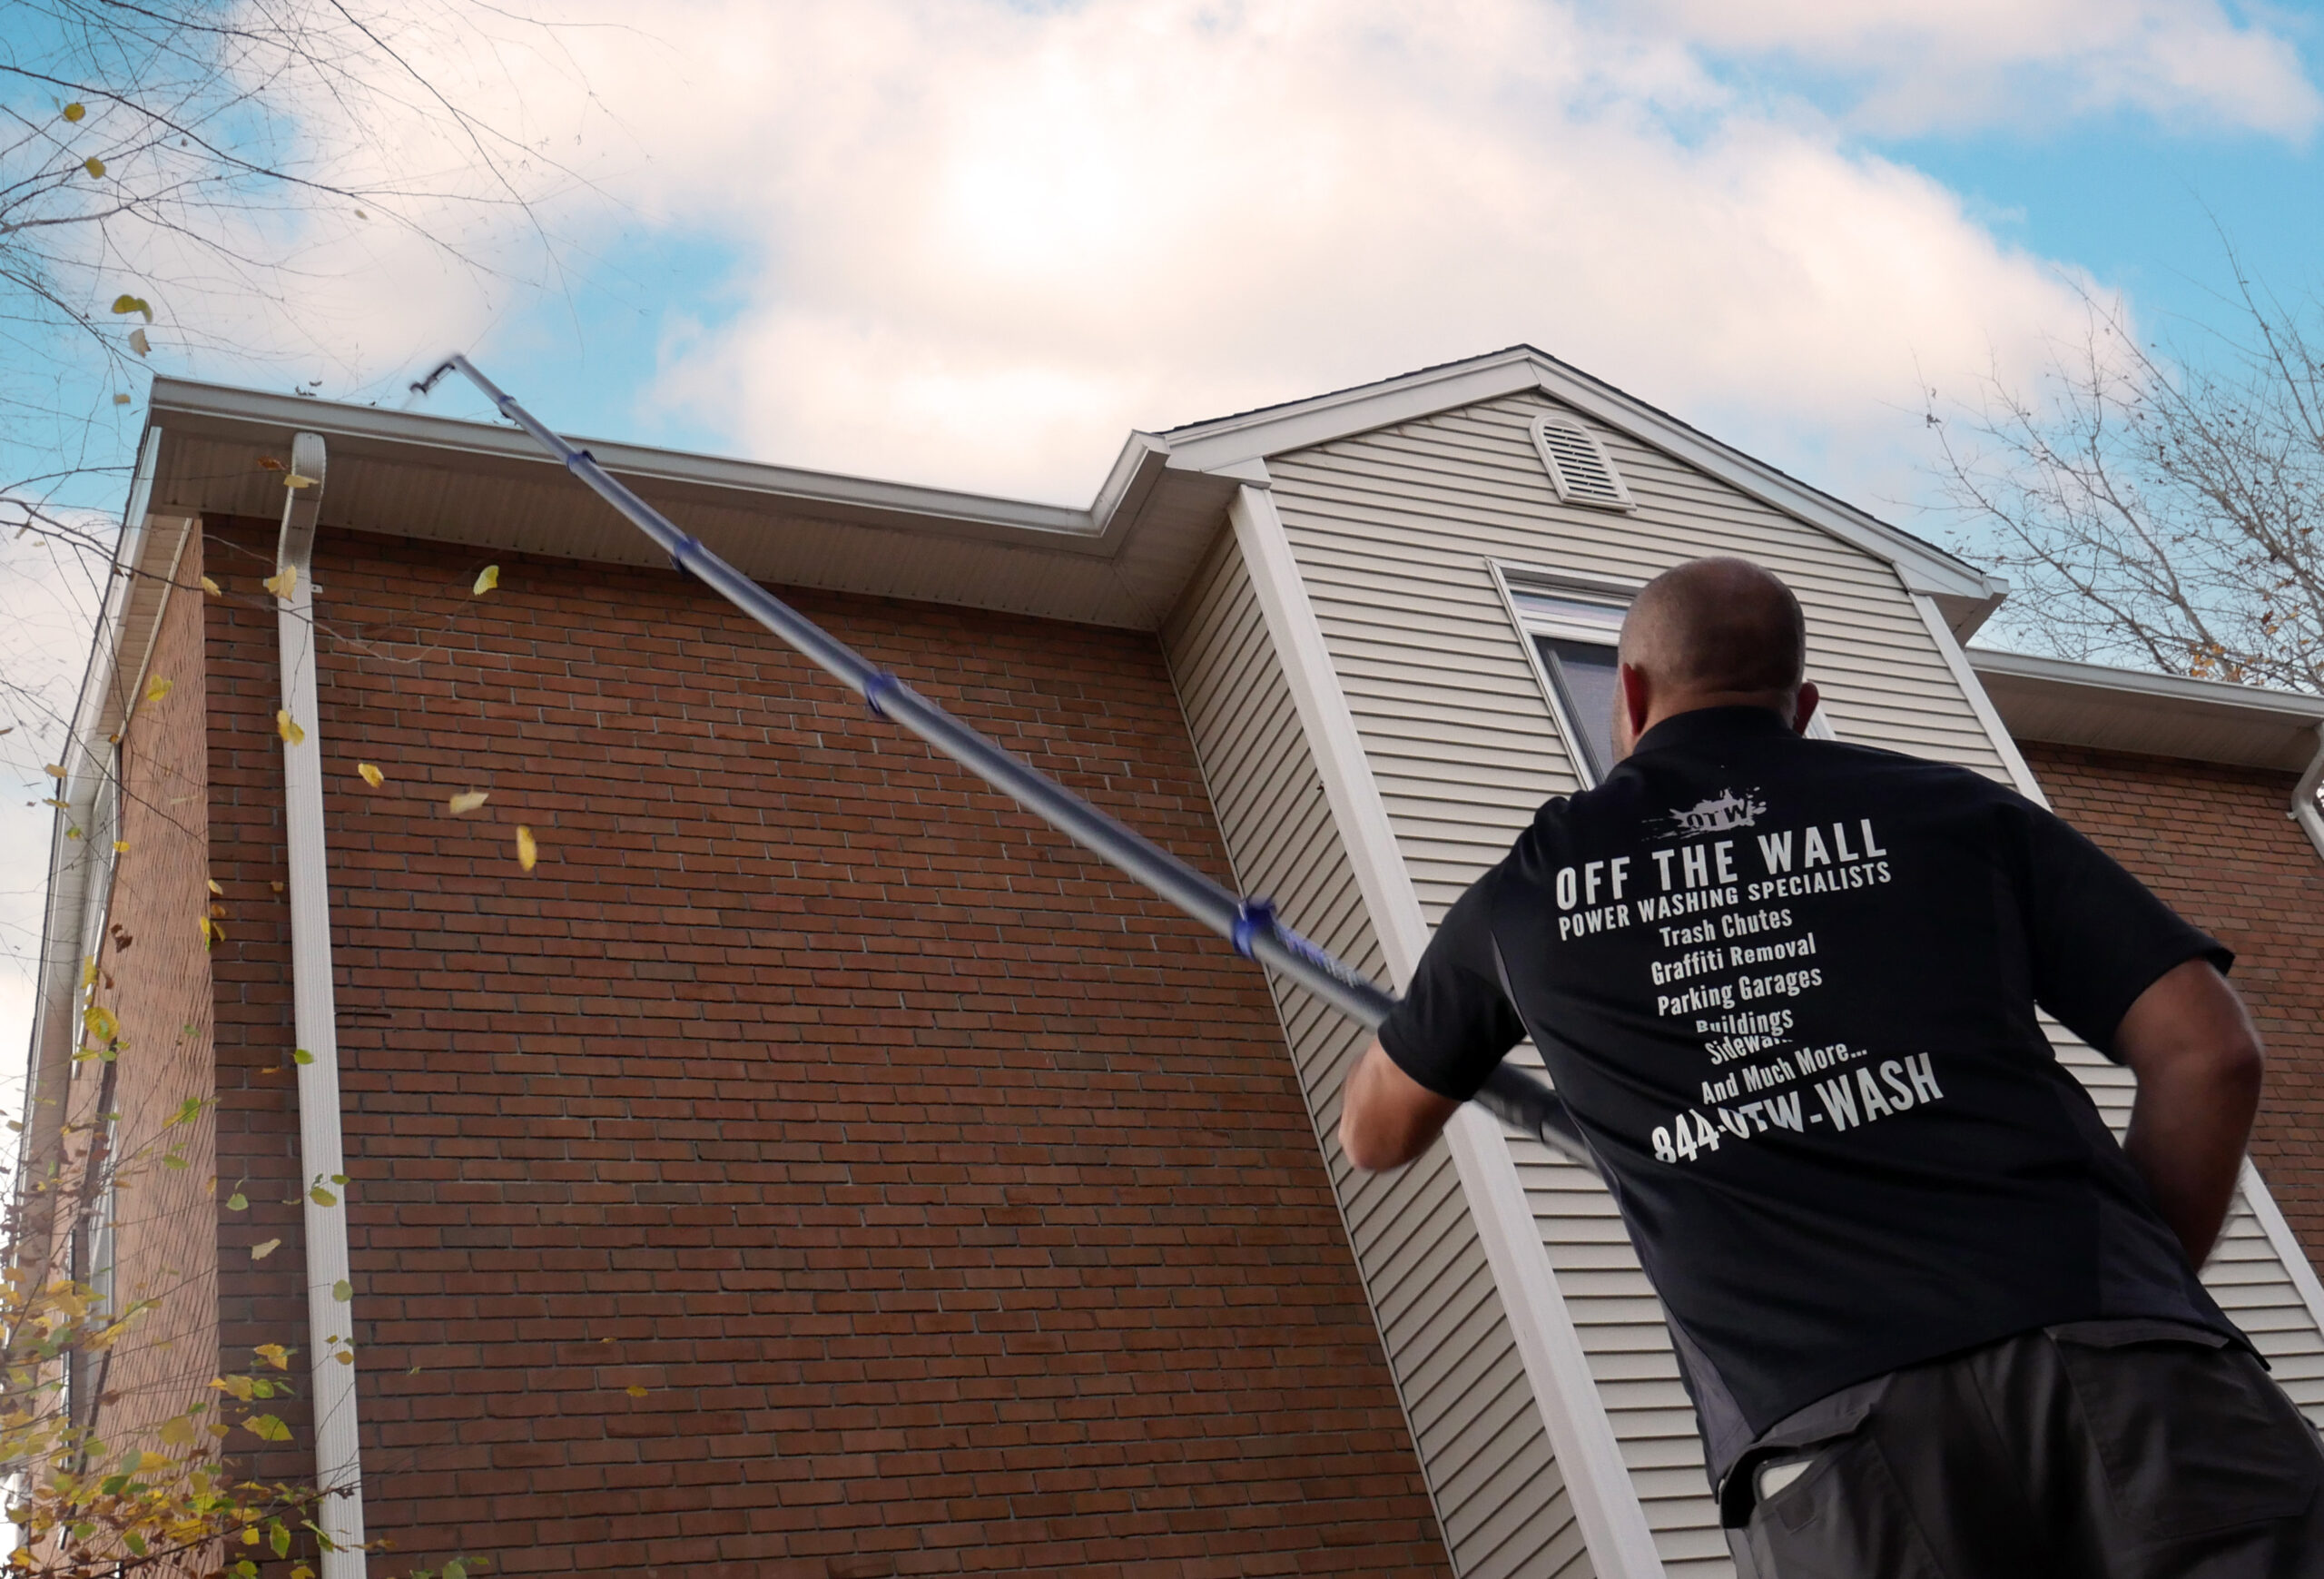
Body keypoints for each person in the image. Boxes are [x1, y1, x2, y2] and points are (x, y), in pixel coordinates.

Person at [1338, 557, 2323, 1578]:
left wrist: (1425, 1029)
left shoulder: (1523, 896)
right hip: (2133, 1379)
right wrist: (2131, 1293)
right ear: (1800, 705)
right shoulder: (1950, 809)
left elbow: (1374, 1133)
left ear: (1626, 695)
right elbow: (2208, 1049)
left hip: (1838, 1454)